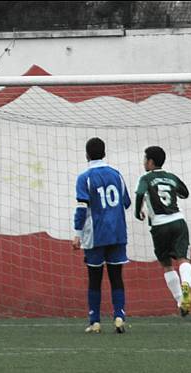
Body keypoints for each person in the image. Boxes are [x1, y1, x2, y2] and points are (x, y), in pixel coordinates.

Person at [72, 138, 131, 334]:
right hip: (117, 234)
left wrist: (77, 234)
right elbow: (127, 202)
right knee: (116, 277)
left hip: (95, 235)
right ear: (104, 153)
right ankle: (119, 317)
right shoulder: (117, 175)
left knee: (94, 279)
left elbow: (82, 208)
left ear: (87, 154)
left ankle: (95, 322)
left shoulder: (84, 178)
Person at [134, 146, 191, 317]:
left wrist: (138, 211)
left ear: (151, 162)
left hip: (160, 225)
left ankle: (180, 300)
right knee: (183, 259)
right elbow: (185, 193)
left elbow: (139, 194)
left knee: (167, 265)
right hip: (178, 221)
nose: (144, 162)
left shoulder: (146, 178)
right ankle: (186, 285)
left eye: (145, 159)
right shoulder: (171, 177)